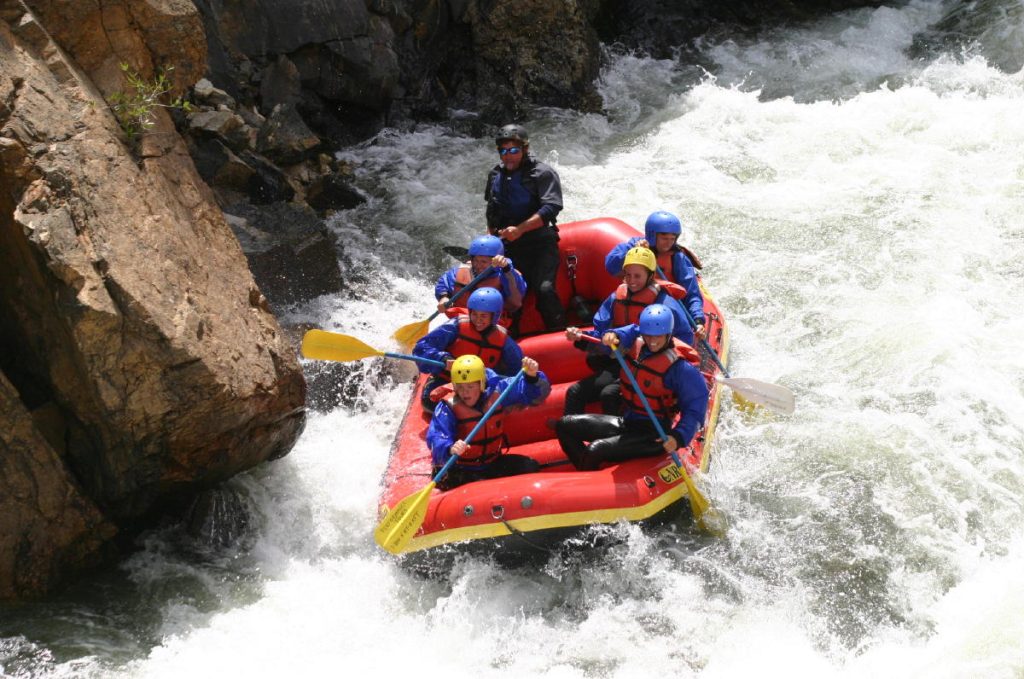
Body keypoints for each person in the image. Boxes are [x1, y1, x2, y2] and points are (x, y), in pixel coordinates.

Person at [556, 305, 709, 471]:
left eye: (658, 336)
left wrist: (678, 436)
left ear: (669, 334)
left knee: (595, 449)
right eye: (648, 335)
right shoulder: (635, 341)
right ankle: (588, 473)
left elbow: (696, 407)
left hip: (654, 435)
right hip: (627, 423)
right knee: (564, 424)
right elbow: (617, 337)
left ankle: (586, 481)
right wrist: (585, 337)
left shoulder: (680, 368)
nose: (652, 341)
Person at [561, 246, 695, 416]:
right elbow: (601, 333)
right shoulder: (616, 297)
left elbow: (684, 341)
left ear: (651, 276)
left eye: (637, 275)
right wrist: (581, 337)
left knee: (608, 394)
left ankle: (614, 437)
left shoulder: (665, 305)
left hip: (650, 365)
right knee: (575, 392)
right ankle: (571, 429)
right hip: (622, 359)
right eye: (628, 275)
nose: (631, 280)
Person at [485, 124, 566, 331]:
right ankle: (509, 342)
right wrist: (491, 242)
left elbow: (551, 207)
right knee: (509, 298)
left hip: (540, 244)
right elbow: (492, 211)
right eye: (504, 151)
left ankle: (559, 333)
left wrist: (519, 229)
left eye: (514, 150)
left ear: (525, 149)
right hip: (510, 248)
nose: (508, 156)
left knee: (544, 290)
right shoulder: (495, 175)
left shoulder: (542, 173)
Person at [427, 355, 550, 489]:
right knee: (470, 484)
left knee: (530, 466)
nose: (465, 393)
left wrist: (532, 377)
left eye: (470, 387)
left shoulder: (499, 390)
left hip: (492, 462)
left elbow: (532, 394)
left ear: (481, 384)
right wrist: (449, 448)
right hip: (461, 468)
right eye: (460, 387)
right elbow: (436, 436)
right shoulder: (447, 406)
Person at [412, 287, 524, 411]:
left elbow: (517, 371)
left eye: (483, 316)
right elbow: (421, 348)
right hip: (446, 380)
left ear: (494, 316)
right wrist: (443, 359)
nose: (478, 320)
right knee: (432, 403)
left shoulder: (504, 341)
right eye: (474, 314)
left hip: (477, 388)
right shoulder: (455, 326)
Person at [605, 211, 706, 339]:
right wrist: (634, 251)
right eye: (664, 238)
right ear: (652, 235)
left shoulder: (677, 258)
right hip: (634, 303)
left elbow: (692, 293)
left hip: (664, 310)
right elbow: (611, 265)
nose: (669, 243)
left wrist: (698, 320)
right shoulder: (635, 246)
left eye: (672, 239)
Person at [434, 235, 526, 317]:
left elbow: (516, 298)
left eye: (483, 262)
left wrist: (506, 269)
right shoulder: (461, 271)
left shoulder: (507, 273)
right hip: (461, 319)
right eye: (476, 261)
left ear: (494, 260)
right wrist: (444, 297)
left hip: (493, 323)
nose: (478, 265)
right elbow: (444, 282)